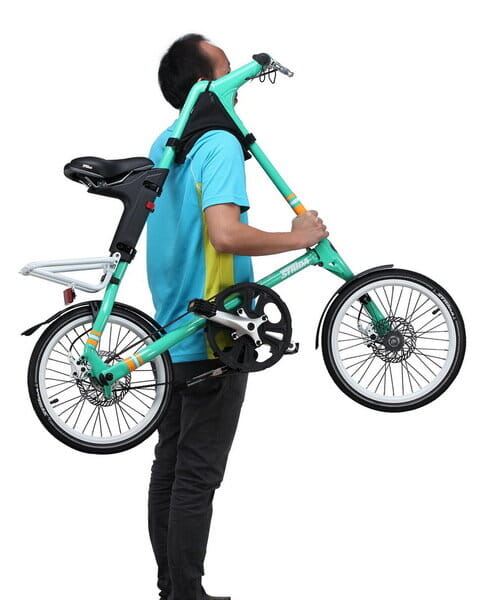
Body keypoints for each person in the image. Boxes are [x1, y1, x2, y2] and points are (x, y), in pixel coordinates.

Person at [146, 33, 329, 600]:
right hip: (214, 331)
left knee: (170, 468)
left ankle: (171, 588)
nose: (238, 81)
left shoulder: (165, 142)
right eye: (227, 68)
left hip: (170, 326)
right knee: (196, 474)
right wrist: (297, 237)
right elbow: (224, 234)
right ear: (208, 83)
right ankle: (187, 595)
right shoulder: (219, 142)